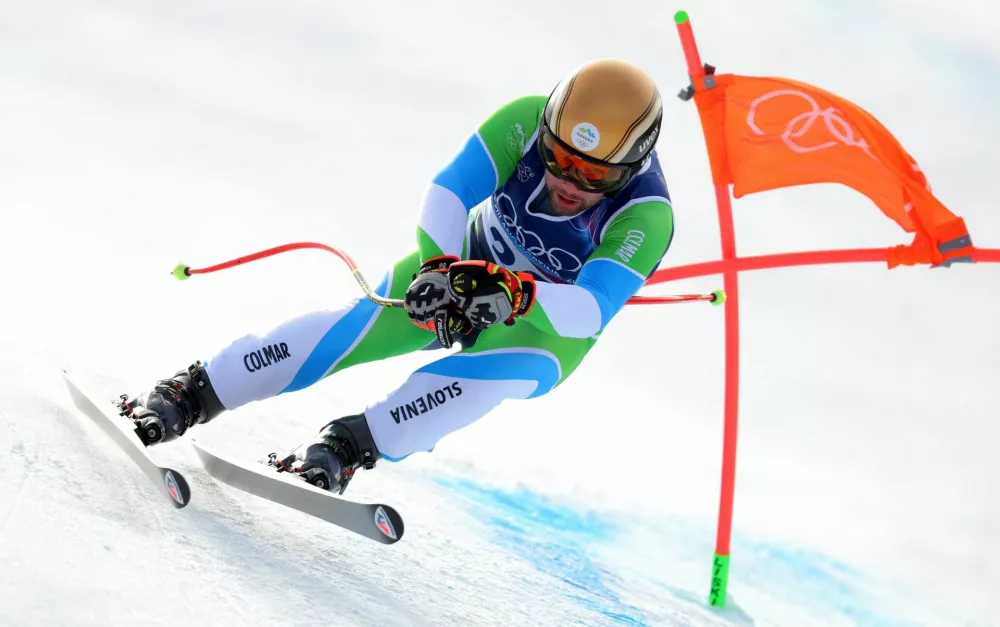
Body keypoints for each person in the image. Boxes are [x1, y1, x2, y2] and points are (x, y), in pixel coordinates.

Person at [121, 58, 676, 495]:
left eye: (594, 173)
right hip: (459, 263)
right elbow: (449, 191)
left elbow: (589, 311)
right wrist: (440, 266)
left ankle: (345, 447)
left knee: (475, 384)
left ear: (630, 167)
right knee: (352, 330)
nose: (568, 179)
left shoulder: (646, 216)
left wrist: (516, 292)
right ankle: (193, 392)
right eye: (557, 156)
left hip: (543, 327)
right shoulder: (526, 119)